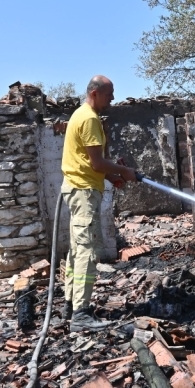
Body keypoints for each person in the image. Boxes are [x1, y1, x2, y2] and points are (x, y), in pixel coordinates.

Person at [60, 75, 140, 332]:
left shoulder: (80, 115)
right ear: (95, 93)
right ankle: (81, 314)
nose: (113, 98)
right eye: (109, 93)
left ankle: (71, 305)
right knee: (86, 250)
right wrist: (124, 172)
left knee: (76, 249)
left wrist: (112, 176)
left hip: (78, 188)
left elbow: (88, 162)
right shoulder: (90, 119)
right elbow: (96, 163)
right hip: (83, 192)